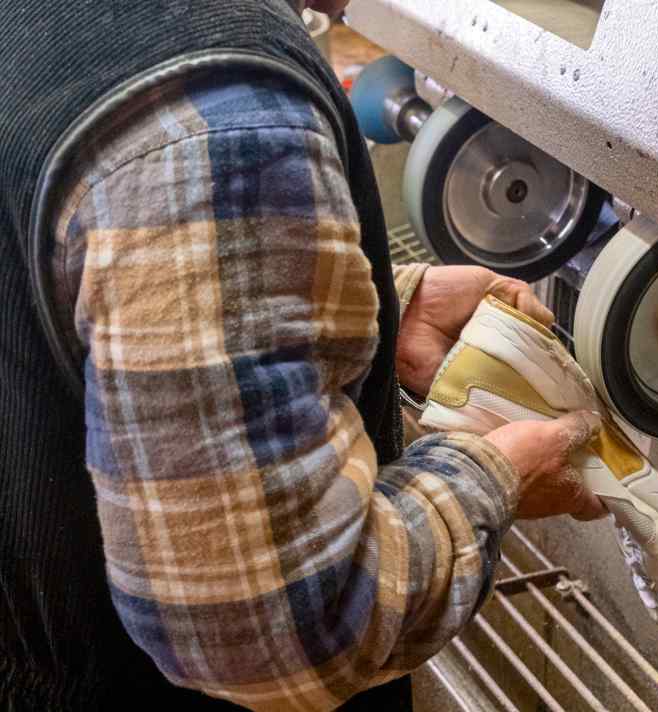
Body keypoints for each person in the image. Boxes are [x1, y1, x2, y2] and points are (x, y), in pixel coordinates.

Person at [0, 1, 606, 709]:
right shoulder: (226, 117)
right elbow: (278, 632)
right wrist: (493, 477)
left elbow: (76, 277)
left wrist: (366, 300)